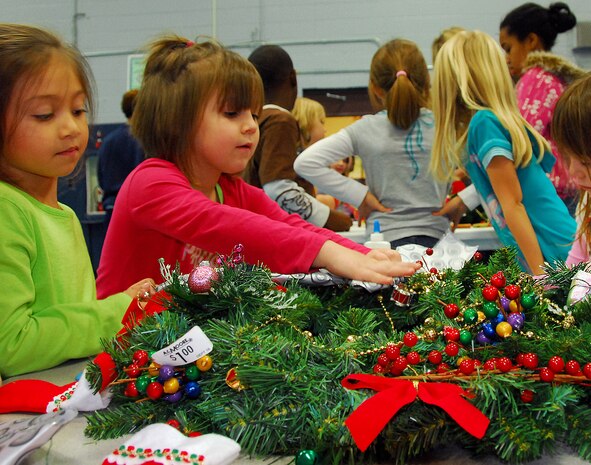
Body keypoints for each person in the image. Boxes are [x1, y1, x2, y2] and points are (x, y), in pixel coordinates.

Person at [96, 36, 419, 298]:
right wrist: (332, 254)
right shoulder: (151, 184)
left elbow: (294, 227)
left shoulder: (232, 190)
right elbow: (234, 228)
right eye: (232, 113)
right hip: (125, 349)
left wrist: (363, 255)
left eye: (253, 113)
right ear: (178, 122)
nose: (251, 126)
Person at [0, 23, 154, 378]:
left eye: (78, 110)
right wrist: (117, 312)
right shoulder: (8, 210)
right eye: (44, 115)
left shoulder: (64, 214)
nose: (70, 127)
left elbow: (68, 317)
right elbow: (12, 344)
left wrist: (119, 304)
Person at [430, 30, 576, 275]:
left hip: (554, 253)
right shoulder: (488, 122)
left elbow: (514, 203)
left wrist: (540, 275)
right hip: (551, 249)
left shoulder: (484, 124)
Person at [295, 39, 450, 249]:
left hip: (385, 244)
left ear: (376, 88)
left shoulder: (365, 129)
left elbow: (305, 163)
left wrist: (361, 197)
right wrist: (464, 201)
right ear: (426, 80)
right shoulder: (445, 126)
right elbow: (491, 165)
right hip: (440, 245)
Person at [242, 45, 352, 232]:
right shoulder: (280, 120)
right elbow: (279, 189)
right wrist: (334, 220)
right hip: (274, 233)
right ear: (293, 77)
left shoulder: (253, 119)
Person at [500, 2, 586, 214]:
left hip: (550, 191)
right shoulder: (557, 79)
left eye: (508, 48)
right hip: (570, 188)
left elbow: (522, 140)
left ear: (531, 40)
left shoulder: (536, 80)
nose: (506, 58)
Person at [551, 72, 591, 265]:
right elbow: (575, 267)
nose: (574, 172)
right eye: (568, 157)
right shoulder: (587, 201)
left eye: (586, 162)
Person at [97, 89, 144, 228]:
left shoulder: (108, 141)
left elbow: (101, 176)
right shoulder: (144, 142)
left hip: (112, 210)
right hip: (136, 213)